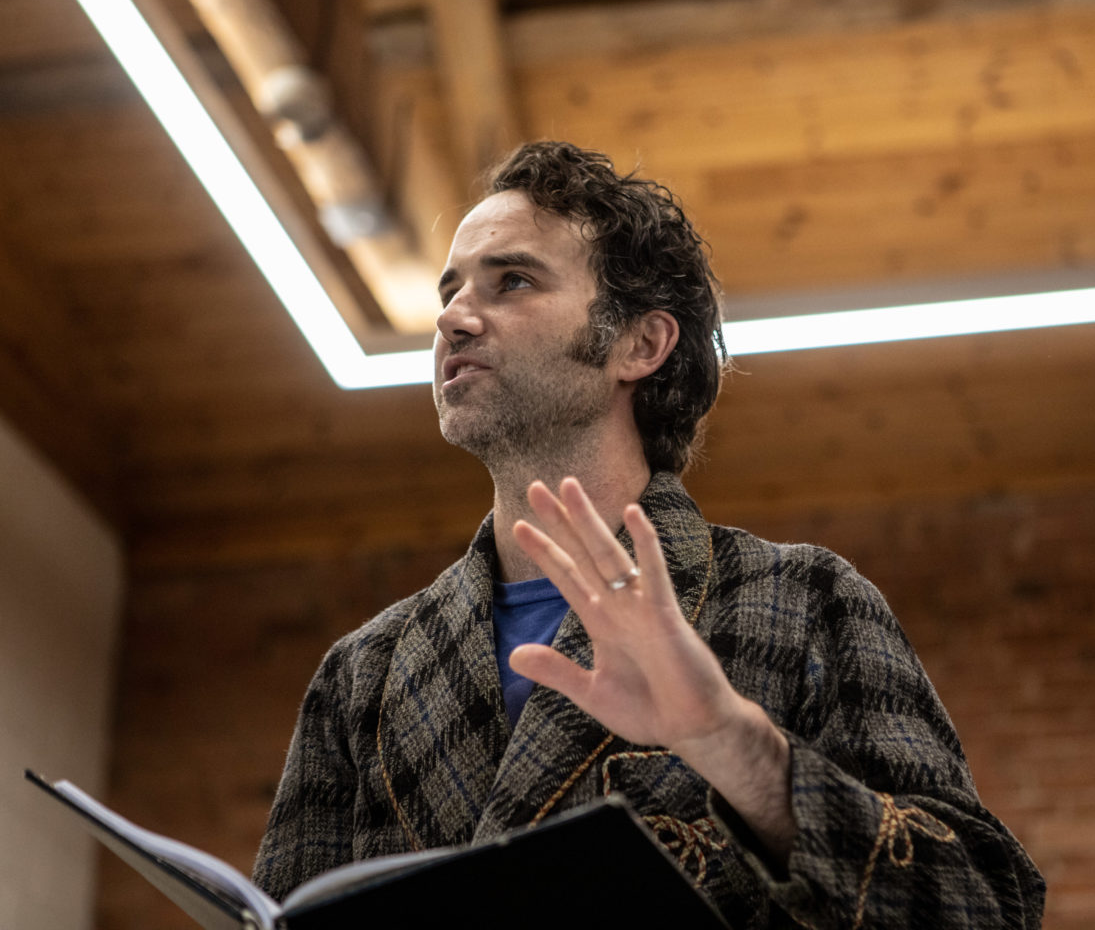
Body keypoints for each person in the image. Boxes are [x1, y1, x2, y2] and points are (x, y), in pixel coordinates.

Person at [252, 141, 1045, 928]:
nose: (452, 319)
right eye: (450, 289)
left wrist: (731, 742)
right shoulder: (364, 673)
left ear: (640, 344)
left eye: (513, 281)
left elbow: (982, 906)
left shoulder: (804, 601)